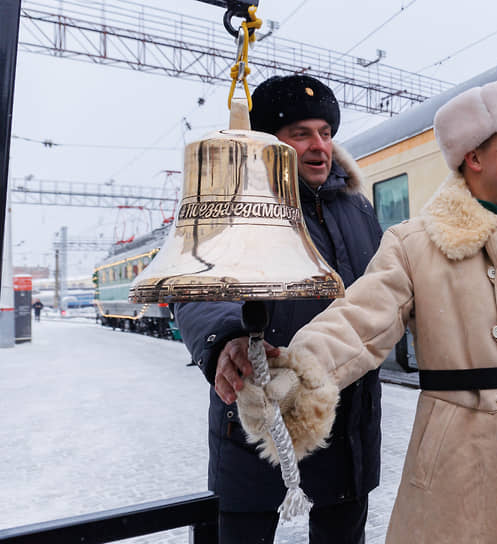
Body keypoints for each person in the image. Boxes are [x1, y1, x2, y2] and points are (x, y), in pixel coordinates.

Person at [237, 80, 497, 543]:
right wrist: (297, 376)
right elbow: (359, 322)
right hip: (461, 459)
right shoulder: (415, 245)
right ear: (473, 158)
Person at [174, 74, 384, 544]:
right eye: (301, 134)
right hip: (259, 414)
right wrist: (227, 337)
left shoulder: (358, 208)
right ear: (271, 143)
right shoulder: (234, 202)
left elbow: (385, 289)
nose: (319, 146)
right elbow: (198, 288)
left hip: (345, 421)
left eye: (326, 133)